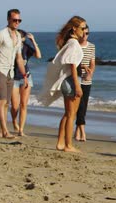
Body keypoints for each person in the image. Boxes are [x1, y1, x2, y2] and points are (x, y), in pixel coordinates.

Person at [39, 16, 87, 152]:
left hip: (68, 80)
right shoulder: (74, 43)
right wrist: (77, 85)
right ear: (74, 28)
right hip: (71, 81)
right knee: (71, 115)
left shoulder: (70, 43)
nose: (84, 31)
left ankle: (61, 143)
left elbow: (71, 63)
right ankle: (68, 145)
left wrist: (82, 66)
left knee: (68, 114)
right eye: (82, 28)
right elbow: (71, 65)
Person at [0, 9, 29, 139]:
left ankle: (2, 130)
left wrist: (24, 75)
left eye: (19, 20)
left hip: (11, 71)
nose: (17, 22)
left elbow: (19, 58)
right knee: (1, 101)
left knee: (6, 103)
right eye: (14, 20)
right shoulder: (1, 34)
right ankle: (5, 132)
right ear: (8, 20)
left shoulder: (18, 37)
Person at [9, 29, 42, 136]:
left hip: (26, 77)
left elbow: (38, 56)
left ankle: (21, 130)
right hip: (13, 78)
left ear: (23, 39)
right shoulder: (11, 48)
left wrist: (33, 40)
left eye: (21, 37)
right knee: (15, 106)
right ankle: (14, 121)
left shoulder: (27, 47)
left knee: (24, 105)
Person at [75, 25, 96, 142]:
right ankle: (83, 132)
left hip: (87, 80)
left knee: (84, 106)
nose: (84, 35)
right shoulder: (75, 45)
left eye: (87, 33)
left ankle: (77, 131)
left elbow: (92, 63)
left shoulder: (92, 46)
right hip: (76, 79)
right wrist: (83, 66)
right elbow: (73, 63)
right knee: (79, 106)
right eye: (83, 33)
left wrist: (90, 73)